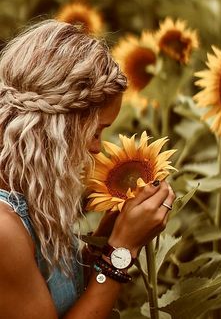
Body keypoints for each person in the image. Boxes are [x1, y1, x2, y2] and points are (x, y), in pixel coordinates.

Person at [0, 20, 175, 319]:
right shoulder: (4, 230)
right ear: (57, 129)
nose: (97, 148)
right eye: (96, 131)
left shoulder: (27, 190)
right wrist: (120, 252)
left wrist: (101, 244)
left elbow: (47, 286)